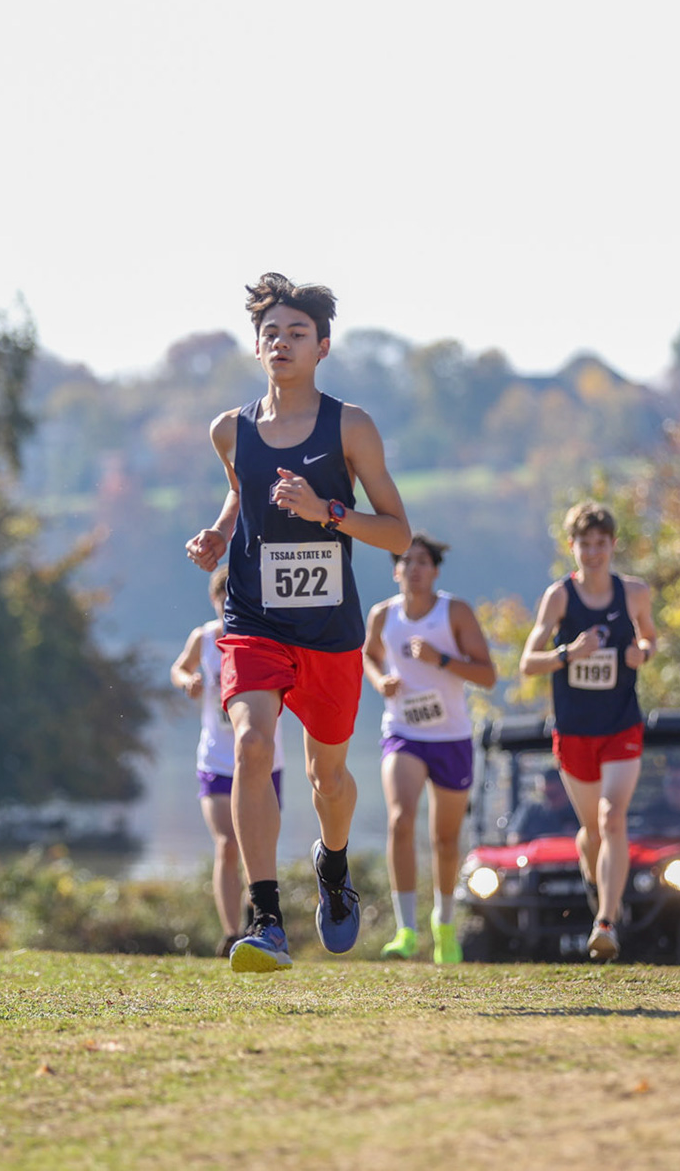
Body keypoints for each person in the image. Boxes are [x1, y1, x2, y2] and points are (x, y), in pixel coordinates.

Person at [185, 272, 411, 973]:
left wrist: (329, 514)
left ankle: (333, 865)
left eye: (297, 333)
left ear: (323, 347)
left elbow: (400, 534)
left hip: (329, 632)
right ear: (257, 347)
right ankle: (266, 920)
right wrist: (221, 535)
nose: (281, 342)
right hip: (254, 621)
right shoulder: (230, 429)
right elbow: (238, 494)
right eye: (271, 333)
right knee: (253, 745)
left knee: (330, 781)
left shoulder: (351, 427)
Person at [519, 502, 658, 962]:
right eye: (585, 543)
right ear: (572, 547)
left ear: (612, 545)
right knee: (592, 831)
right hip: (575, 730)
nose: (593, 552)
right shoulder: (559, 597)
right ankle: (593, 867)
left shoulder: (634, 593)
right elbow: (527, 662)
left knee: (612, 816)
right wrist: (568, 653)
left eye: (601, 543)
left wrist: (643, 652)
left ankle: (606, 921)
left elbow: (650, 639)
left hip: (621, 724)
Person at [362, 533, 496, 963]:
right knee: (400, 819)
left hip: (451, 737)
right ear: (395, 570)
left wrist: (440, 659)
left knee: (445, 839)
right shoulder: (383, 615)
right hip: (403, 732)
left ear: (435, 570)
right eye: (406, 561)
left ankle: (444, 924)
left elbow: (488, 675)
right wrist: (381, 680)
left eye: (422, 561)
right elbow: (367, 655)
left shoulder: (453, 612)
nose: (414, 568)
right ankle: (405, 930)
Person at [171, 567, 287, 957]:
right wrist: (188, 681)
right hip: (218, 760)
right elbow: (180, 667)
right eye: (222, 600)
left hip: (265, 760)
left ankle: (261, 916)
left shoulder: (265, 635)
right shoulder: (203, 638)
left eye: (234, 599)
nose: (228, 607)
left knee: (258, 843)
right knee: (226, 843)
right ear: (214, 601)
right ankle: (231, 931)